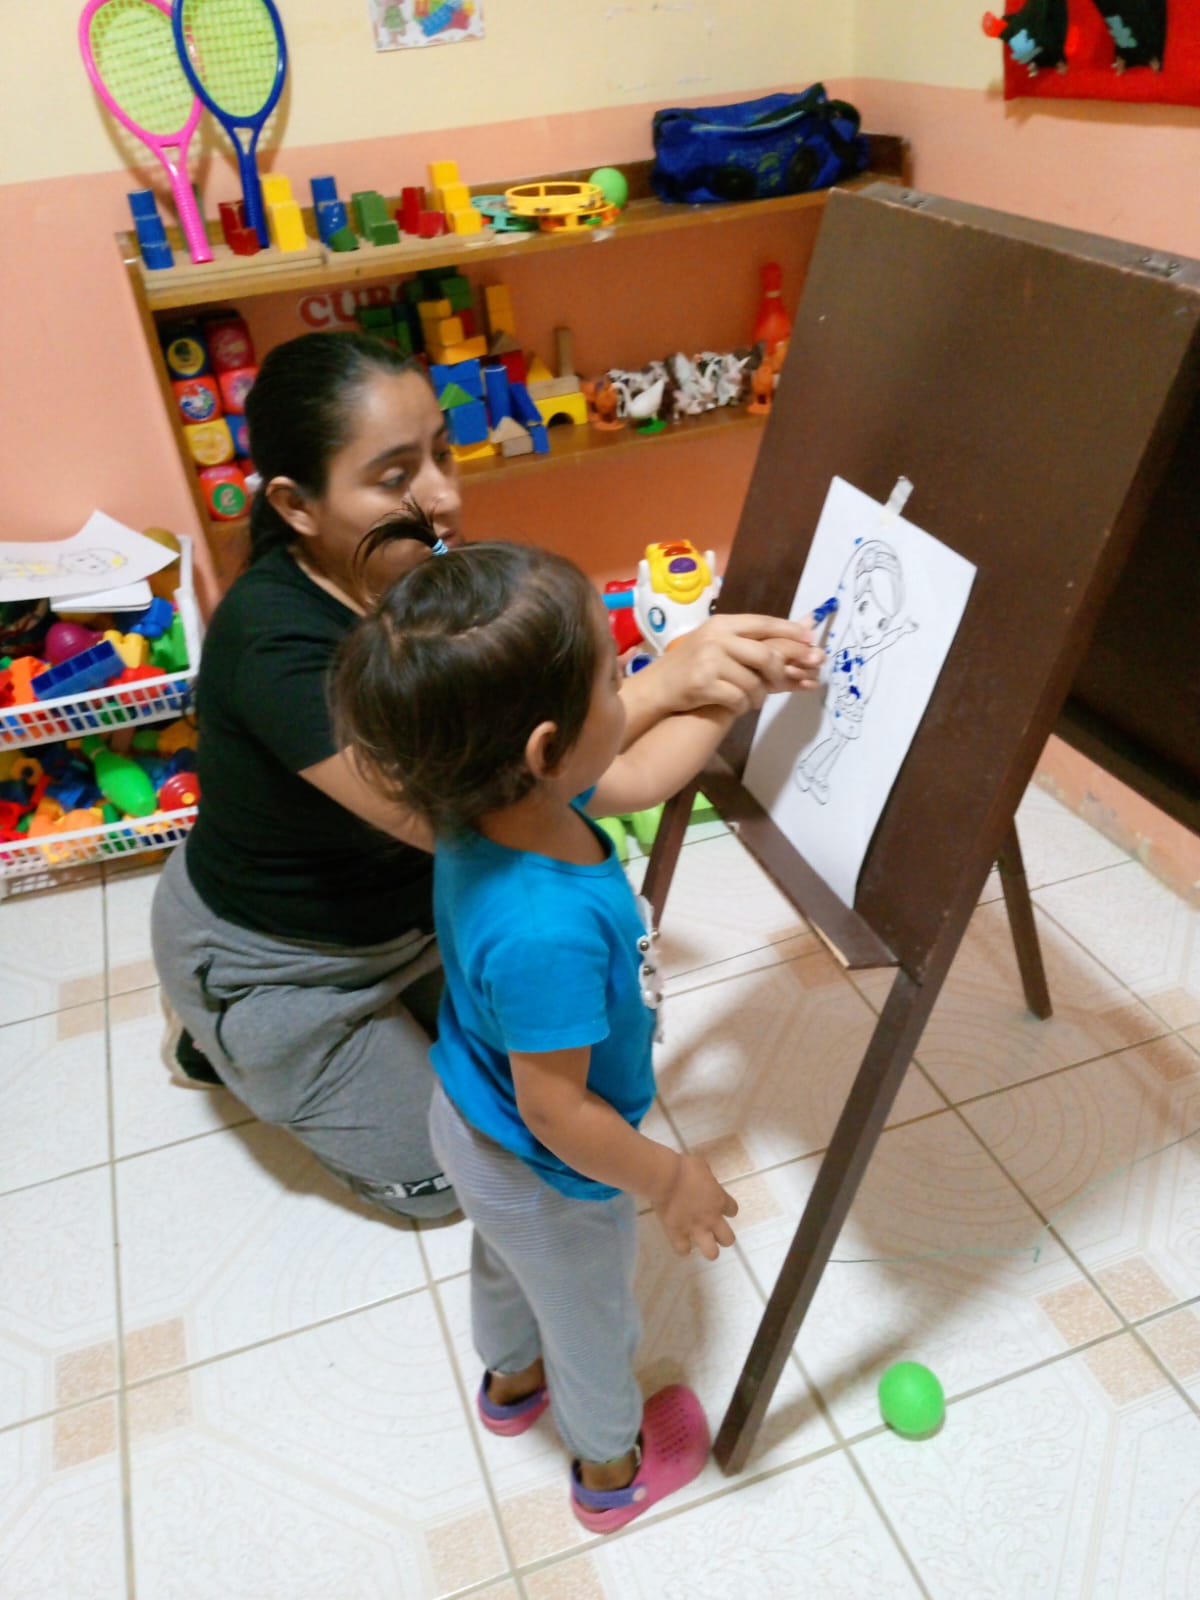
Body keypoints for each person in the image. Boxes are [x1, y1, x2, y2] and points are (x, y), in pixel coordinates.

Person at [151, 330, 823, 1222]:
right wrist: (669, 681)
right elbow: (521, 793)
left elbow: (585, 775)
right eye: (394, 476)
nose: (441, 495)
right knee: (447, 1179)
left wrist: (714, 688)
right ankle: (218, 1033)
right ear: (296, 504)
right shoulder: (274, 645)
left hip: (423, 913)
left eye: (442, 452)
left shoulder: (433, 584)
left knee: (527, 1077)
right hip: (291, 959)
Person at [332, 539, 745, 1531]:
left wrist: (725, 701)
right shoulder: (542, 925)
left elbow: (642, 769)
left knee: (507, 1260)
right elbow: (556, 1112)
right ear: (545, 748)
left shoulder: (488, 798)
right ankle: (610, 1471)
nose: (629, 687)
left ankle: (511, 1383)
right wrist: (668, 1178)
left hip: (469, 1122)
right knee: (590, 1316)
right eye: (613, 676)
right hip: (545, 1165)